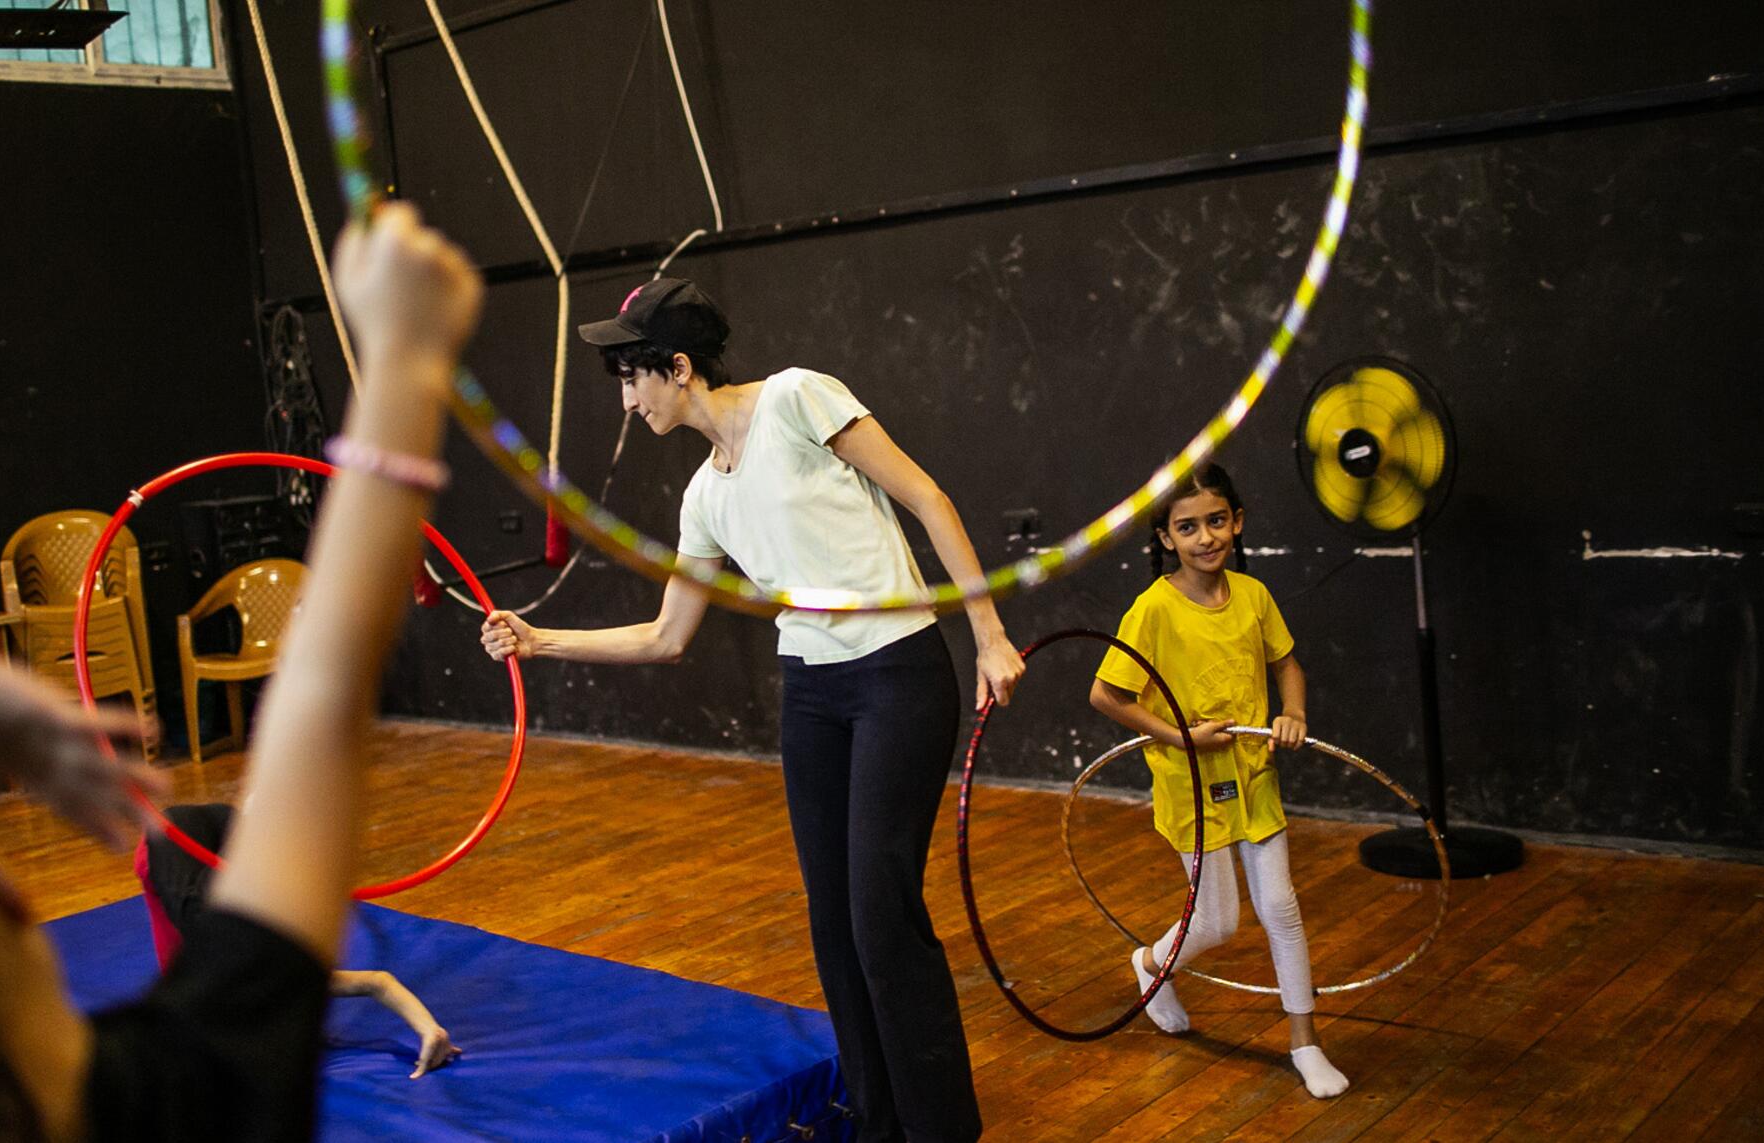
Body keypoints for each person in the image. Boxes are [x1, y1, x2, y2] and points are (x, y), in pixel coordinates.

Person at [0, 201, 483, 1140]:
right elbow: (323, 701)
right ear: (5, 898)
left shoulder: (198, 1097)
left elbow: (321, 698)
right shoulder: (181, 1090)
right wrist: (406, 355)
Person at [479, 277, 1025, 1143]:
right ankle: (879, 1125)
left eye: (633, 378)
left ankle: (943, 1130)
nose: (627, 401)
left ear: (680, 367)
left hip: (897, 673)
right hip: (812, 692)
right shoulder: (705, 497)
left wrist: (989, 634)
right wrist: (541, 642)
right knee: (834, 925)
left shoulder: (799, 399)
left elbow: (929, 499)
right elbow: (667, 636)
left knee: (881, 915)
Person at [1087, 462, 1349, 1099]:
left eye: (1215, 521)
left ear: (1237, 522)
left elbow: (1288, 665)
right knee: (1219, 923)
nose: (1205, 537)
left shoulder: (1253, 596)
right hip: (1190, 784)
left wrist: (1294, 714)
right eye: (1187, 527)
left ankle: (1305, 1043)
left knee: (1281, 908)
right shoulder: (1152, 610)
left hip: (1254, 775)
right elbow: (1106, 695)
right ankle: (1150, 965)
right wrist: (1179, 736)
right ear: (1165, 537)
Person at [136, 802, 461, 1078]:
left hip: (177, 843)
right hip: (222, 849)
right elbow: (378, 982)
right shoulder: (280, 975)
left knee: (203, 918)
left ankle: (267, 819)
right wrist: (430, 1029)